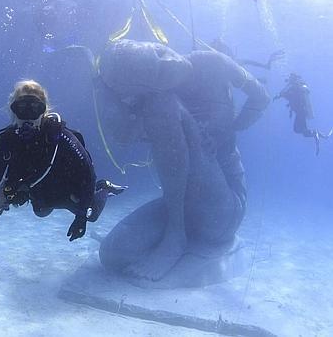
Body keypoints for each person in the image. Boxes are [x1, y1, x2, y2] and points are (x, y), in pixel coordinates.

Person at [96, 39, 270, 283]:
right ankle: (175, 232)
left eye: (160, 51)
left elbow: (261, 97)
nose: (168, 60)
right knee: (112, 254)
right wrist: (103, 90)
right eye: (157, 70)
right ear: (145, 85)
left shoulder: (212, 62)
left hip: (223, 208)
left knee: (163, 104)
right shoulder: (152, 97)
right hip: (180, 205)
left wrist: (230, 130)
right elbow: (123, 136)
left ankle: (175, 237)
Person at [0, 80, 126, 246]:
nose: (28, 117)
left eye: (35, 109)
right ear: (13, 110)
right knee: (41, 212)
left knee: (91, 215)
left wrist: (81, 216)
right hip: (40, 193)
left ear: (44, 111)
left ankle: (103, 188)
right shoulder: (7, 139)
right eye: (21, 109)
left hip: (68, 190)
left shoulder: (61, 137)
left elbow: (88, 174)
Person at [275, 73, 331, 155]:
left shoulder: (295, 87)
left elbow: (287, 95)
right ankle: (319, 134)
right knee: (303, 131)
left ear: (293, 78)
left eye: (290, 78)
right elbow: (290, 97)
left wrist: (279, 95)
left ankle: (315, 133)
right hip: (302, 112)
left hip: (300, 112)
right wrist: (282, 96)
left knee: (297, 130)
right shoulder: (296, 87)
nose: (289, 80)